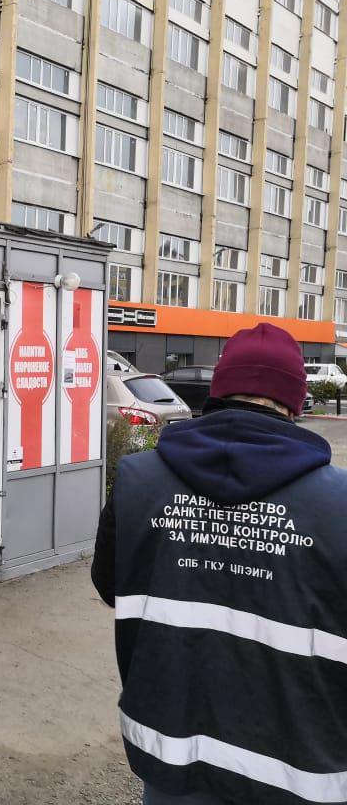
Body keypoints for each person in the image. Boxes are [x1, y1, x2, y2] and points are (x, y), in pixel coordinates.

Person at [92, 323, 347, 805]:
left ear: (219, 391)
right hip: (296, 773)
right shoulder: (337, 505)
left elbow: (110, 586)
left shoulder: (139, 480)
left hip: (172, 753)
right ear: (293, 404)